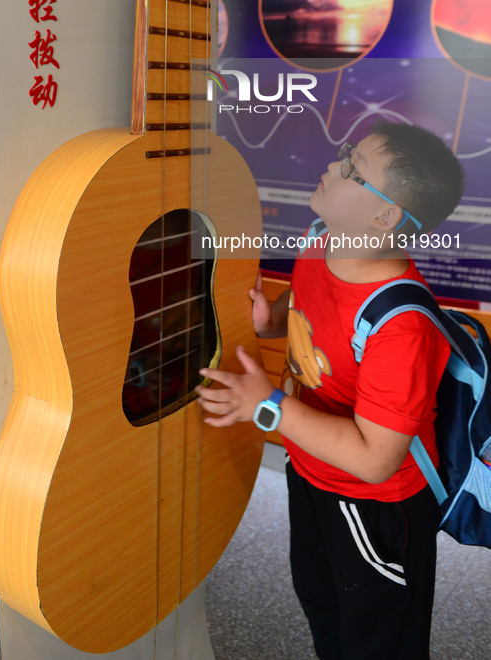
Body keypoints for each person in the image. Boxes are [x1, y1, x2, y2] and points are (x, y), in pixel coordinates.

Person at [196, 120, 465, 660]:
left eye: (351, 168)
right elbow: (311, 323)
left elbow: (374, 459)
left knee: (379, 637)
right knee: (323, 604)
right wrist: (272, 320)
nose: (331, 165)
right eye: (344, 154)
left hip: (376, 509)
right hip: (312, 471)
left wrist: (266, 407)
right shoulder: (323, 242)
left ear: (384, 217)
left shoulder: (401, 325)